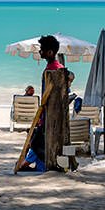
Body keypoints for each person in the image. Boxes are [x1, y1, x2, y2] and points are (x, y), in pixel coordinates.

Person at [17, 35, 66, 172]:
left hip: (49, 115)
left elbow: (49, 96)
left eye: (42, 50)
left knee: (37, 140)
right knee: (39, 140)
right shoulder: (59, 68)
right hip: (53, 115)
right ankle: (36, 164)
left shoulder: (52, 69)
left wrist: (42, 116)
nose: (40, 52)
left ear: (50, 52)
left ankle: (27, 163)